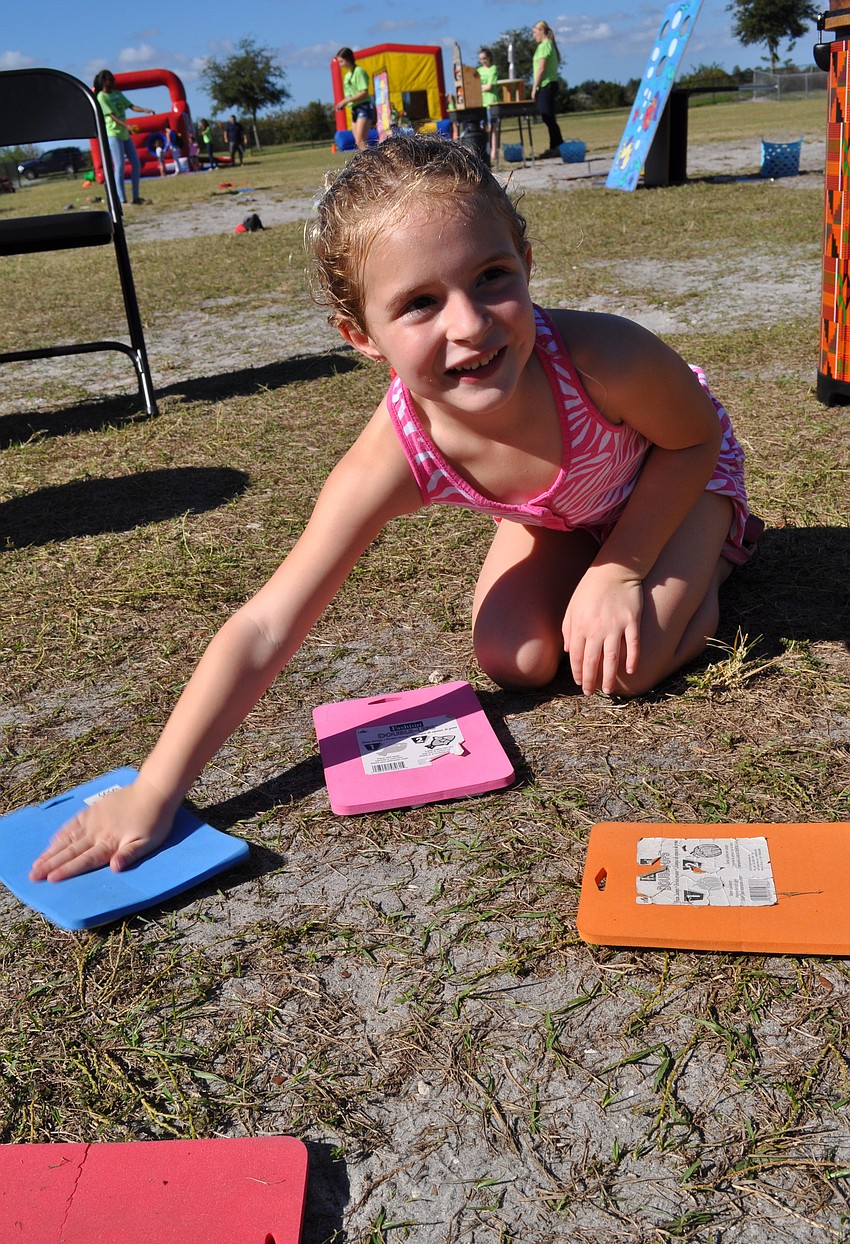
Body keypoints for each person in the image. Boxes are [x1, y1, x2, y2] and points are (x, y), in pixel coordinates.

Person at [29, 135, 760, 884]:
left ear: (527, 262)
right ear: (362, 337)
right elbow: (266, 623)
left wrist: (623, 566)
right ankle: (559, 529)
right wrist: (154, 790)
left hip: (681, 479)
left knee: (626, 665)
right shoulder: (393, 457)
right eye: (419, 303)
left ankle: (719, 555)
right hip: (565, 514)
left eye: (492, 276)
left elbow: (694, 437)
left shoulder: (605, 358)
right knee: (518, 658)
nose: (469, 324)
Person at [93, 69, 155, 205]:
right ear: (104, 82)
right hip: (113, 134)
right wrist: (126, 126)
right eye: (111, 80)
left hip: (125, 134)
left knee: (136, 164)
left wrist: (145, 110)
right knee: (120, 166)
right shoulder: (101, 97)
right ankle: (121, 199)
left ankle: (136, 196)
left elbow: (131, 106)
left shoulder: (117, 94)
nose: (114, 82)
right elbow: (112, 116)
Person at [531, 20, 564, 159]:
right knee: (549, 117)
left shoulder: (545, 46)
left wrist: (534, 87)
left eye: (534, 32)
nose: (533, 36)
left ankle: (559, 145)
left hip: (546, 85)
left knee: (547, 116)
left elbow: (541, 68)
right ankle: (555, 146)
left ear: (542, 31)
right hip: (550, 84)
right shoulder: (547, 45)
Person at [335, 47, 376, 151]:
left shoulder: (359, 72)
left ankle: (376, 162)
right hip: (355, 109)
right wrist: (344, 103)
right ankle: (369, 163)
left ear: (348, 59)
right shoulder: (347, 75)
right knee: (359, 142)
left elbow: (364, 92)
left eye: (341, 61)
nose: (340, 64)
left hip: (364, 108)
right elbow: (350, 95)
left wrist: (346, 101)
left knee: (360, 141)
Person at [476, 47, 501, 166]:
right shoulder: (478, 71)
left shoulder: (493, 69)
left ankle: (494, 152)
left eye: (484, 58)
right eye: (480, 59)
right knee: (484, 128)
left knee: (493, 127)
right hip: (481, 102)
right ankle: (486, 150)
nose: (483, 61)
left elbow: (490, 86)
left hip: (491, 101)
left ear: (489, 58)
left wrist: (478, 88)